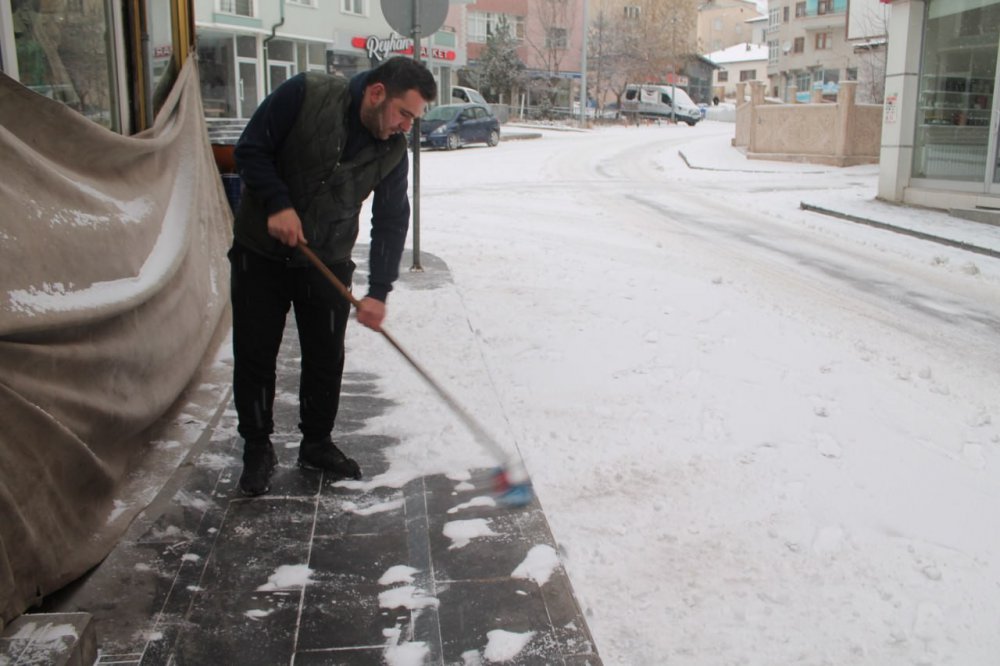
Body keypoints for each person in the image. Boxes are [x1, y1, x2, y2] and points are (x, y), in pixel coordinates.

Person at [229, 56, 437, 496]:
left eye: (413, 120)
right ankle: (256, 447)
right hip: (260, 254)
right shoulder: (307, 94)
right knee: (256, 354)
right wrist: (277, 204)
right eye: (404, 114)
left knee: (325, 357)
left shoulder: (392, 150)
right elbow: (250, 149)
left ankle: (317, 443)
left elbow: (392, 219)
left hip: (326, 260)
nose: (406, 127)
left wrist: (379, 291)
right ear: (377, 93)